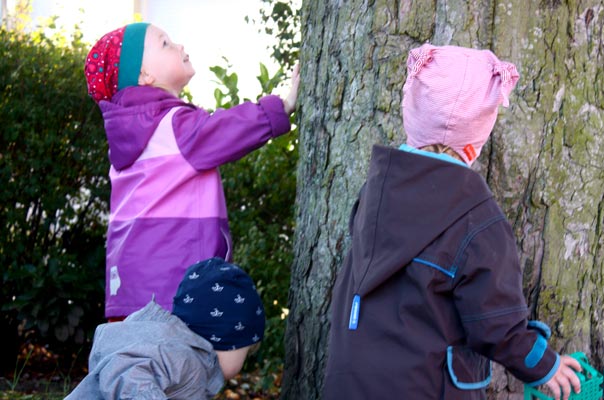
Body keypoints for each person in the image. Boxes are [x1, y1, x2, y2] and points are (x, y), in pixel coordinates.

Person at [322, 44, 582, 400]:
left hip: (350, 382)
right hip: (425, 388)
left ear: (409, 114)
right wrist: (543, 364)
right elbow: (497, 324)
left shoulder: (376, 192)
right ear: (477, 139)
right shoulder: (478, 220)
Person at [84, 23, 300, 320]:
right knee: (219, 346)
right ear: (145, 76)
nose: (179, 46)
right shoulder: (175, 126)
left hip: (129, 290)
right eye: (165, 44)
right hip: (177, 287)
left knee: (143, 364)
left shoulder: (126, 140)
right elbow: (226, 129)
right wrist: (282, 106)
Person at [65, 257, 265, 399]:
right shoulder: (184, 357)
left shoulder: (187, 355)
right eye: (245, 351)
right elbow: (126, 371)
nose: (241, 365)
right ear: (226, 339)